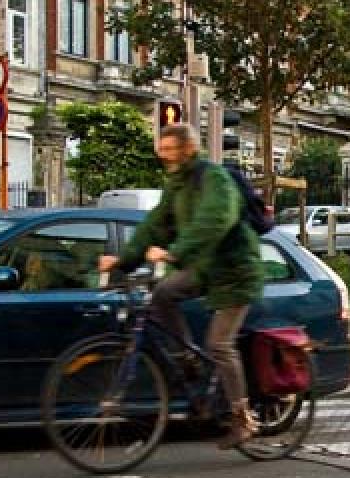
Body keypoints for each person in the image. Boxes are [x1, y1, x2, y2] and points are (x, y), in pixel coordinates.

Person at [97, 123, 264, 450]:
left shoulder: (213, 178)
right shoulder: (177, 184)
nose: (164, 155)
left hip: (236, 271)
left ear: (188, 149)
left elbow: (215, 219)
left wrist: (175, 252)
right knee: (162, 293)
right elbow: (153, 225)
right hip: (205, 268)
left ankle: (243, 418)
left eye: (170, 149)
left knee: (219, 344)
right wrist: (122, 260)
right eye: (162, 149)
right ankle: (188, 357)